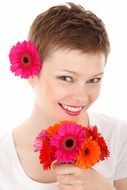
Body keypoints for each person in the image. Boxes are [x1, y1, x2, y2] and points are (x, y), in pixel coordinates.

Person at [0, 2, 127, 190]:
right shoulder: (4, 159)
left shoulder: (118, 136)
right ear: (32, 72)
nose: (82, 97)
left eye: (93, 80)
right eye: (66, 78)